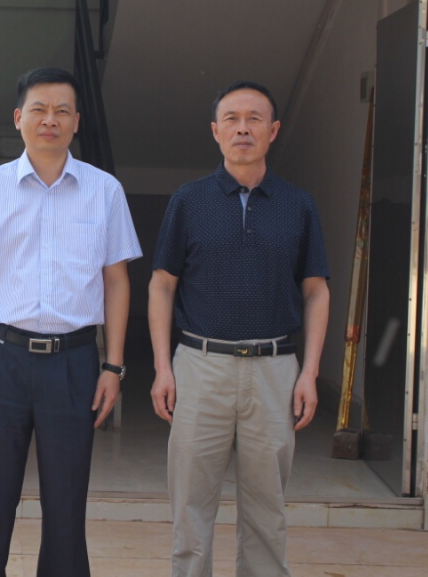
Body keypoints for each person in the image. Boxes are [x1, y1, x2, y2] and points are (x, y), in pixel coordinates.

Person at [0, 67, 143, 577]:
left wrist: (113, 365)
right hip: (0, 359)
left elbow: (117, 281)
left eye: (61, 111)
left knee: (66, 503)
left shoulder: (104, 191)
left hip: (74, 362)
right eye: (38, 109)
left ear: (76, 121)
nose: (49, 120)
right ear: (19, 118)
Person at [149, 80, 331, 577]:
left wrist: (310, 372)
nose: (243, 129)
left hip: (274, 370)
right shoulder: (189, 201)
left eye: (255, 119)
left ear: (273, 130)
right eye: (232, 119)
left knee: (267, 514)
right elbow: (162, 285)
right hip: (200, 366)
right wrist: (163, 368)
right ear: (215, 131)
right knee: (190, 510)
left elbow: (317, 291)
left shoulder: (298, 204)